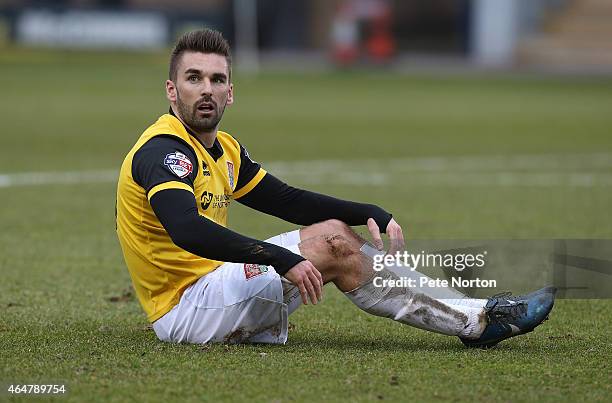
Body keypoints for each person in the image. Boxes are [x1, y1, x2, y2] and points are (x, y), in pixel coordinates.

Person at [116, 29, 555, 348]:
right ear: (172, 91)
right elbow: (186, 229)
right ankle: (478, 322)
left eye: (217, 79)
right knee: (333, 243)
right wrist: (280, 258)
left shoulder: (223, 148)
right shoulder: (166, 151)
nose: (206, 90)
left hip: (213, 288)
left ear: (231, 92)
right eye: (194, 79)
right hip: (184, 309)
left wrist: (367, 210)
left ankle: (472, 316)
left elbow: (285, 200)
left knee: (334, 231)